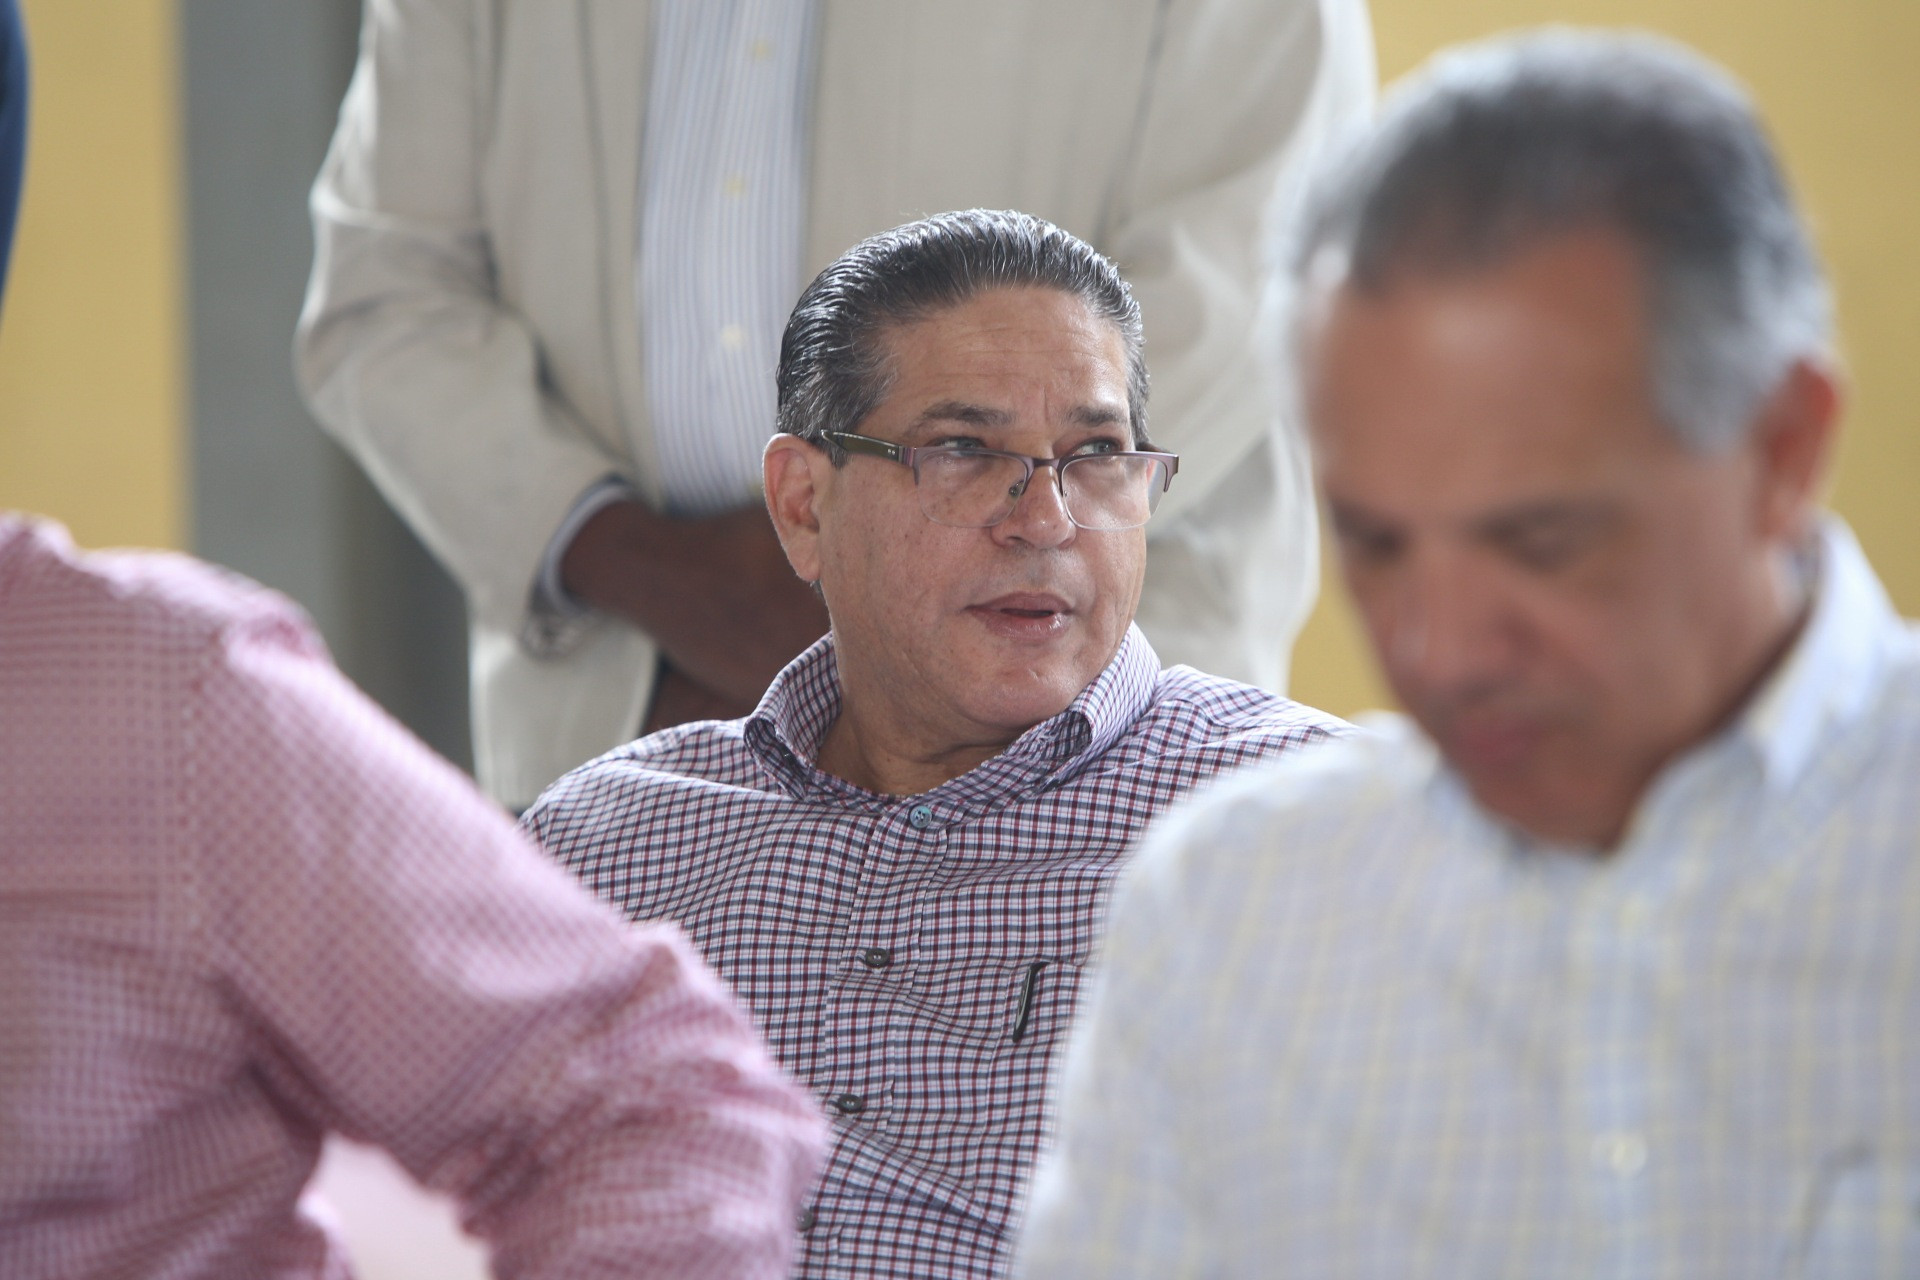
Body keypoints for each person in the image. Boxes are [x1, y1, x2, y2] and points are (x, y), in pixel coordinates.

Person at [1015, 29, 1920, 1279]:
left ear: (1782, 449)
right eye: (1376, 543)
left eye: (1540, 542)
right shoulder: (1228, 920)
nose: (1437, 650)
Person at [524, 210, 1348, 1279]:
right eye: (965, 451)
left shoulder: (1306, 829)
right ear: (804, 504)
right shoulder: (601, 851)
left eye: (1096, 456)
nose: (1045, 519)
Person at [294, 0, 1376, 811]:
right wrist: (643, 570)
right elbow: (384, 299)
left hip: (1090, 752)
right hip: (615, 713)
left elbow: (1265, 278)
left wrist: (889, 596)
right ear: (797, 501)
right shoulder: (597, 836)